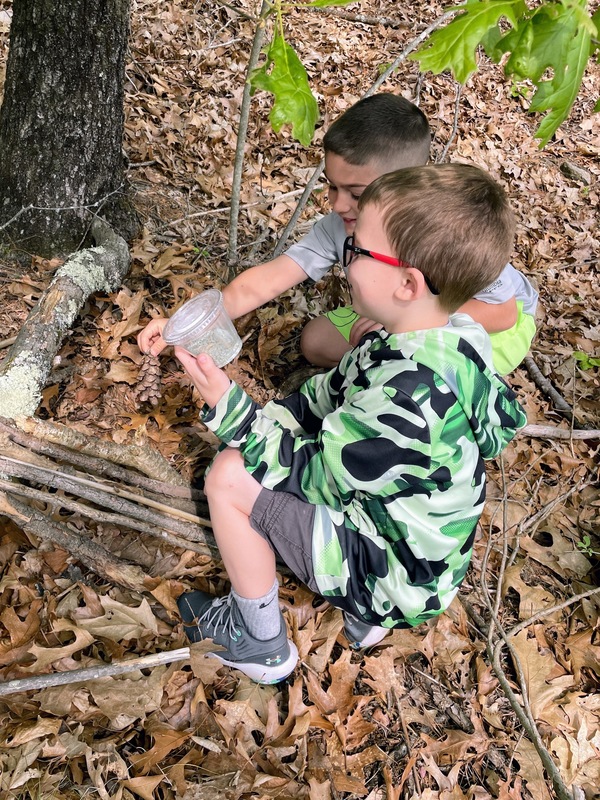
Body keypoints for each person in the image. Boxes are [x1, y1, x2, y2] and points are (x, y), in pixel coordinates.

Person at [173, 163, 528, 684]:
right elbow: (328, 393)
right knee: (288, 438)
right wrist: (273, 417)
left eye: (358, 249)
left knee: (228, 476)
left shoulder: (407, 396)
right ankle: (363, 622)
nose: (345, 259)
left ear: (408, 283)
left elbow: (316, 476)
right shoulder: (442, 336)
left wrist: (233, 412)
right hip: (419, 551)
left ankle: (259, 641)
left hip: (396, 576)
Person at [137, 93, 538, 376]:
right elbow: (267, 280)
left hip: (488, 321)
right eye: (331, 186)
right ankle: (376, 371)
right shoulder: (339, 228)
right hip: (398, 310)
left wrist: (404, 329)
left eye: (357, 194)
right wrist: (184, 327)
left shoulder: (446, 226)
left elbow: (502, 313)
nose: (337, 204)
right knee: (316, 343)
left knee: (425, 367)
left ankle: (452, 397)